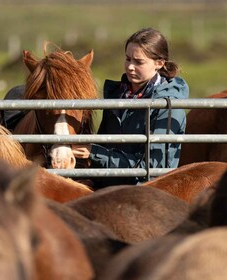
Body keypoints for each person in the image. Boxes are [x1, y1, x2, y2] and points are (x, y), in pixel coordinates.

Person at [72, 27, 189, 188]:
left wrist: (94, 153)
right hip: (109, 187)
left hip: (145, 191)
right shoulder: (116, 95)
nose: (130, 67)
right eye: (128, 59)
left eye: (139, 62)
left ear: (159, 63)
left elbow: (154, 168)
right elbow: (105, 143)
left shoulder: (169, 107)